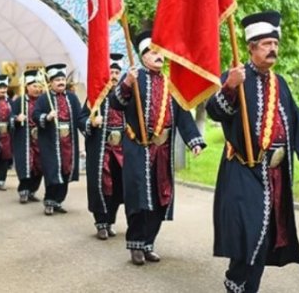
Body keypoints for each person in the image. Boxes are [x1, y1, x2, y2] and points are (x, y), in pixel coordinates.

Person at [206, 11, 299, 292]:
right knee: (250, 233)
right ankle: (237, 280)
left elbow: (296, 123)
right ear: (250, 47)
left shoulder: (280, 83)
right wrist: (230, 87)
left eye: (275, 43)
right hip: (243, 170)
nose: (272, 49)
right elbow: (214, 112)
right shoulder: (233, 76)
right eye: (266, 44)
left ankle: (245, 285)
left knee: (265, 235)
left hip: (275, 175)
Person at [110, 30, 205, 266]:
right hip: (137, 148)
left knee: (160, 198)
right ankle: (135, 244)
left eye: (160, 51)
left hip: (162, 152)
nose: (158, 56)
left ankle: (149, 243)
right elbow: (116, 103)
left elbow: (182, 115)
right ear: (143, 57)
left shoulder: (171, 84)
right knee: (139, 199)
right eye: (152, 52)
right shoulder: (133, 77)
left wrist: (194, 140)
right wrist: (127, 84)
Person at [78, 53, 126, 240]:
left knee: (117, 187)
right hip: (101, 150)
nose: (114, 75)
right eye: (111, 71)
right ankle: (100, 223)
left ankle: (111, 220)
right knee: (101, 186)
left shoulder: (127, 96)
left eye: (117, 72)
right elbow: (81, 119)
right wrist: (92, 121)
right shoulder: (95, 97)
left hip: (122, 151)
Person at [32, 64, 81, 215]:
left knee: (66, 171)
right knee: (52, 171)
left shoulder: (72, 98)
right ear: (50, 82)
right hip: (51, 142)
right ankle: (49, 200)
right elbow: (35, 115)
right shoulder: (43, 98)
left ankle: (58, 201)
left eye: (62, 79)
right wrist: (46, 117)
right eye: (57, 79)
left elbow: (80, 117)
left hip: (69, 142)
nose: (61, 82)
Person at [12, 70, 43, 203]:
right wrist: (17, 119)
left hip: (40, 139)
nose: (37, 89)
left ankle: (32, 190)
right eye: (34, 86)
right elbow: (10, 116)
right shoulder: (19, 101)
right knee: (25, 165)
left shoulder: (44, 101)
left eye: (38, 86)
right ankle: (23, 190)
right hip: (24, 139)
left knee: (39, 165)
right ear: (27, 87)